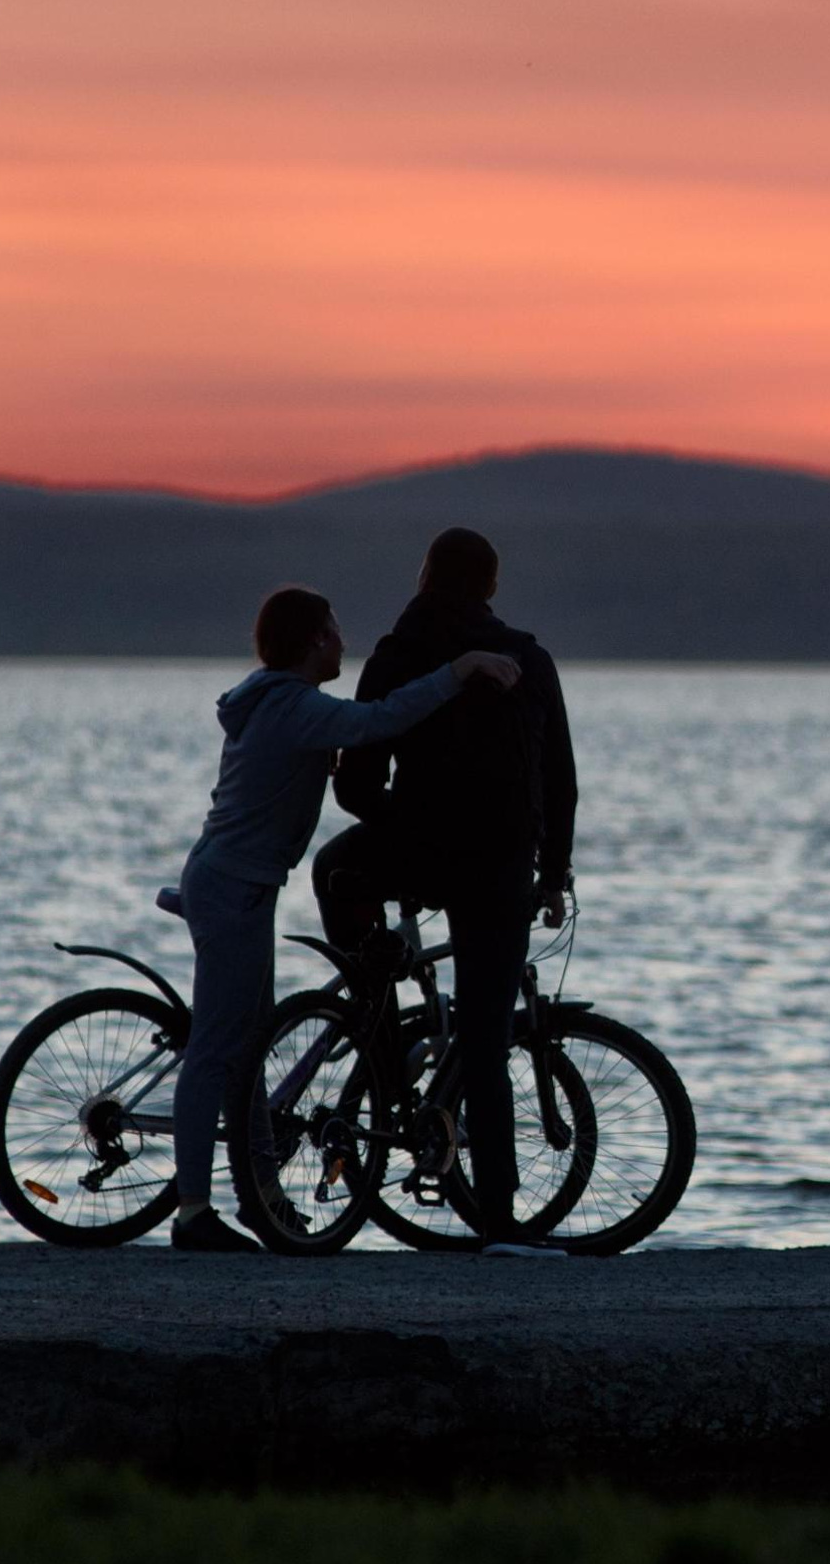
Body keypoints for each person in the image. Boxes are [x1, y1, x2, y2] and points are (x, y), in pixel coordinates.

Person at [167, 584, 521, 1254]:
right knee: (217, 1053)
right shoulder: (296, 707)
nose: (343, 641)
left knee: (247, 1053)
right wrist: (461, 669)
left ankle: (262, 1201)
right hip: (233, 888)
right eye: (334, 631)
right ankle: (191, 1212)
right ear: (311, 643)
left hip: (235, 882)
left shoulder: (271, 698)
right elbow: (383, 719)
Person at [312, 527, 576, 1241]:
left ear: (424, 578)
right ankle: (498, 1220)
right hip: (501, 863)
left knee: (331, 870)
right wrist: (553, 872)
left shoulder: (397, 655)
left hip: (416, 851)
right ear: (491, 586)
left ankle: (374, 1017)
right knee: (487, 1042)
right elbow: (560, 779)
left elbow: (361, 785)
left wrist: (402, 816)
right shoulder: (529, 657)